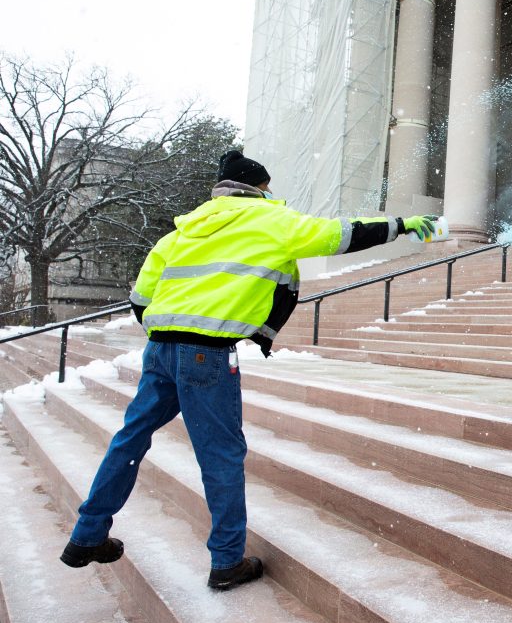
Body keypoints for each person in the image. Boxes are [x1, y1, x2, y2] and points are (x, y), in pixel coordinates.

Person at [60, 150, 437, 591]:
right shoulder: (272, 222)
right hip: (208, 355)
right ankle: (226, 561)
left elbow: (141, 297)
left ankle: (86, 536)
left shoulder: (183, 231)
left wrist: (173, 329)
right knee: (220, 455)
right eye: (267, 185)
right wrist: (405, 224)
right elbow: (344, 234)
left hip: (160, 349)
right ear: (258, 187)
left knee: (130, 439)